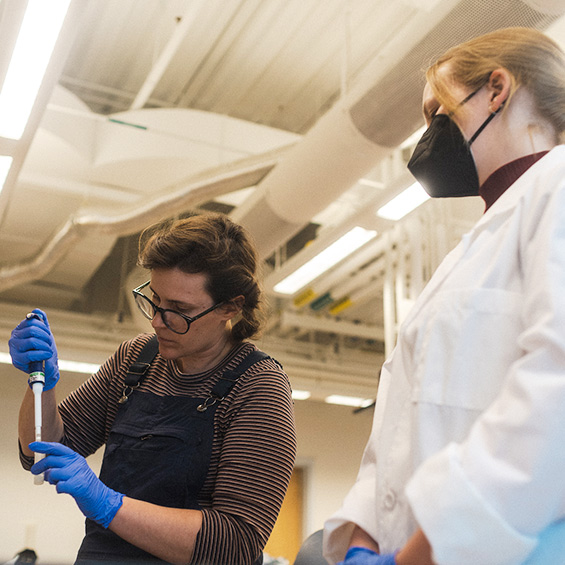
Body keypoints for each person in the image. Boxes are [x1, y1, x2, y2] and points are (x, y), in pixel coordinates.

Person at [323, 26, 565, 565]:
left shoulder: (558, 187)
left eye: (439, 113)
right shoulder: (469, 249)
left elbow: (555, 391)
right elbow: (399, 422)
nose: (429, 136)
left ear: (496, 90)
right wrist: (361, 534)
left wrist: (424, 552)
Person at [9, 213, 297, 564]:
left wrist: (108, 504)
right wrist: (41, 384)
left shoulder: (258, 387)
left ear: (230, 307)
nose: (157, 320)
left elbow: (234, 544)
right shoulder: (136, 359)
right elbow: (39, 452)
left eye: (179, 309)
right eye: (155, 300)